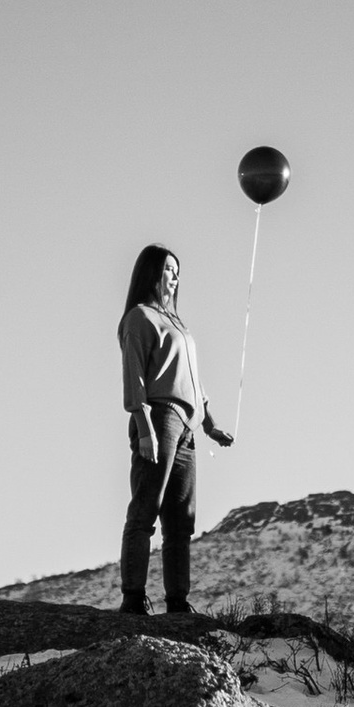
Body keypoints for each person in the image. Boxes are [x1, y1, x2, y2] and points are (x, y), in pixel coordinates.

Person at [117, 243, 234, 617]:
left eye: (177, 270)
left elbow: (193, 381)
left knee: (181, 520)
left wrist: (211, 424)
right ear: (151, 273)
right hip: (159, 418)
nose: (175, 276)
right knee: (145, 510)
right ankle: (133, 599)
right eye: (168, 268)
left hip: (187, 428)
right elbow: (134, 376)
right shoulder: (139, 318)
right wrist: (144, 426)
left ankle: (177, 603)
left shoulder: (180, 324)